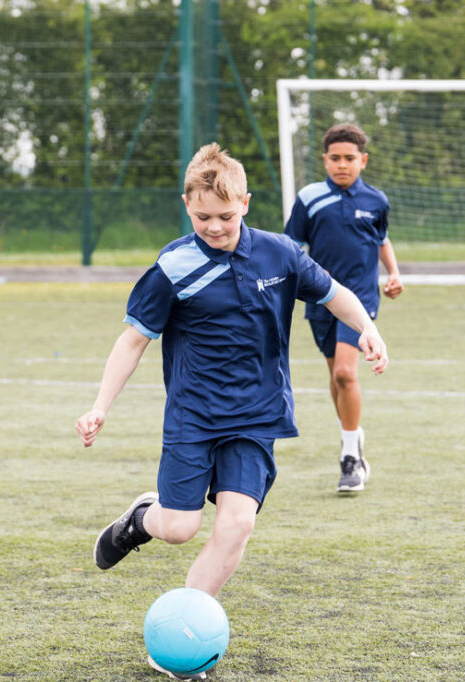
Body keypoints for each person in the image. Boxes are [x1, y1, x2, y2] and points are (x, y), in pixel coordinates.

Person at [75, 143, 388, 680]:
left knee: (237, 524)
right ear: (186, 205)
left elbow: (334, 293)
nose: (215, 227)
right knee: (177, 528)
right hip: (193, 417)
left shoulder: (280, 253)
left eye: (225, 215)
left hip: (254, 416)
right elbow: (132, 342)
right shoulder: (174, 266)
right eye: (202, 217)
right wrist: (100, 406)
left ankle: (183, 635)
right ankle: (140, 518)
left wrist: (368, 328)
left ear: (245, 201)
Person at [284, 123, 404, 494]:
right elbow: (290, 246)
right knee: (335, 375)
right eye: (334, 158)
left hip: (362, 300)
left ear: (363, 161)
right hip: (321, 299)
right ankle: (352, 435)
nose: (342, 164)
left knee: (345, 375)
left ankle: (350, 458)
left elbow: (381, 240)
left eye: (349, 158)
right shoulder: (309, 198)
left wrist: (394, 273)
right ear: (324, 160)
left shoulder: (376, 201)